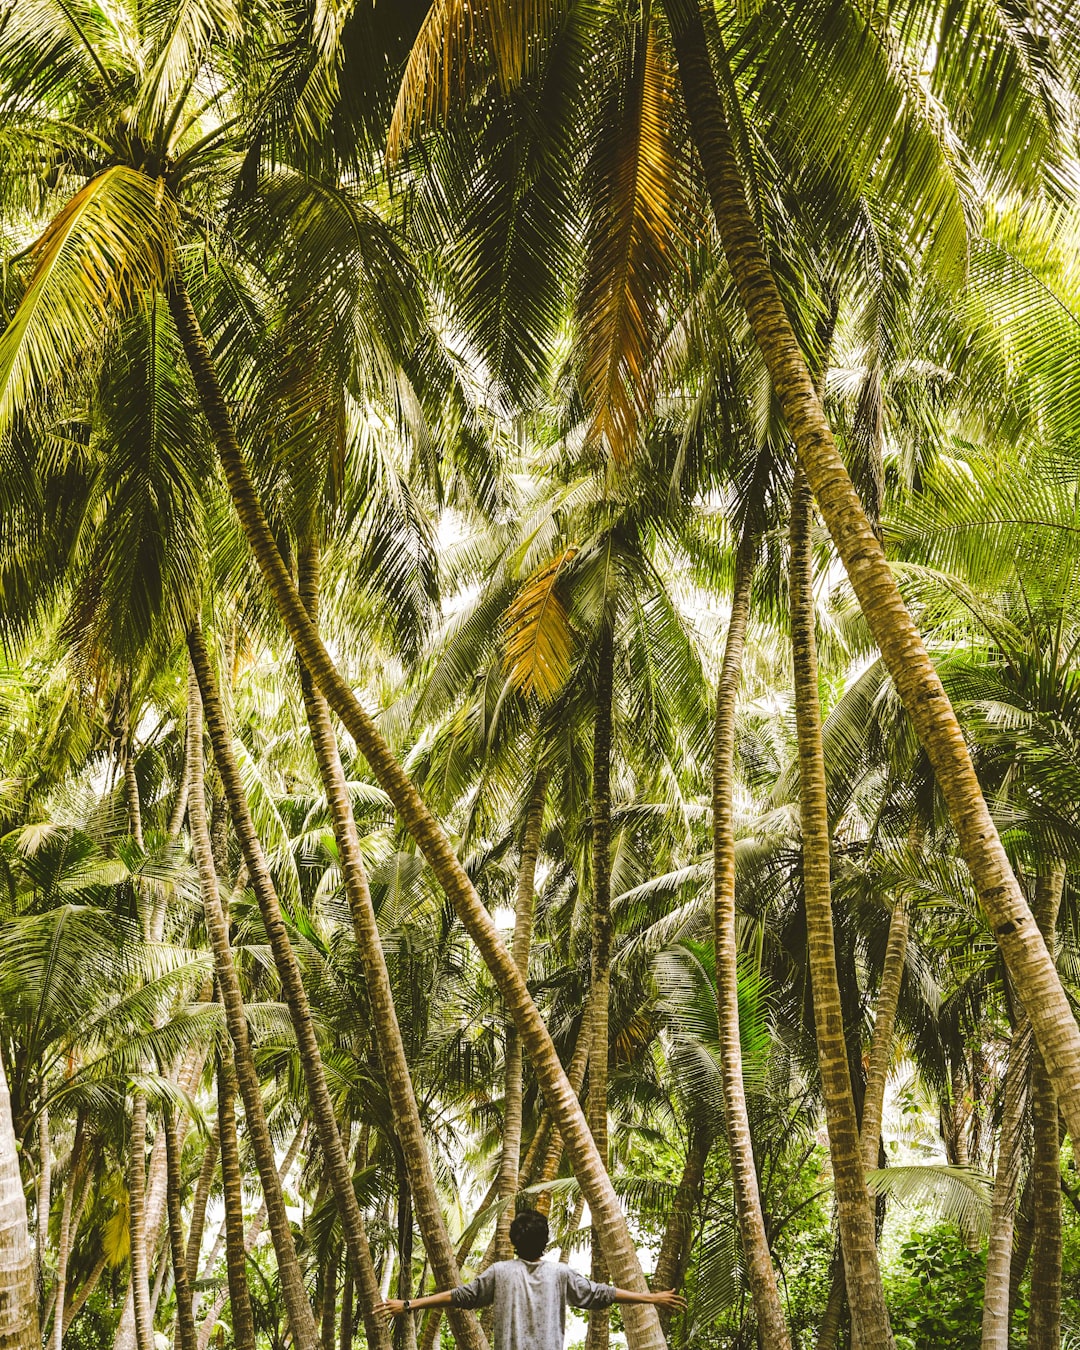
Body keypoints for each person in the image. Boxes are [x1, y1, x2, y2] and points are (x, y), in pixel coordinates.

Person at [376, 1208, 685, 1350]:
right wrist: (651, 1298)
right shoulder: (560, 1274)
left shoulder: (500, 1272)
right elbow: (603, 1294)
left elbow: (457, 1296)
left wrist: (408, 1304)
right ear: (545, 1241)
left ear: (513, 1242)